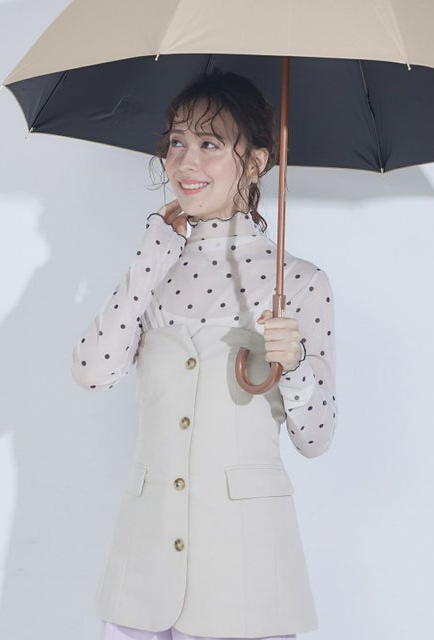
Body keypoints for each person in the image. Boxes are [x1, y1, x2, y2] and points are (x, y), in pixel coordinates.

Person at [72, 71, 337, 640]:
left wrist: (292, 365)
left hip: (245, 574)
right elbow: (92, 372)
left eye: (210, 143)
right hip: (141, 575)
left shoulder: (299, 282)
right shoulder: (156, 266)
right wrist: (151, 253)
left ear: (256, 162)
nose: (185, 161)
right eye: (176, 141)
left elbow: (316, 439)